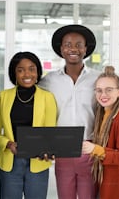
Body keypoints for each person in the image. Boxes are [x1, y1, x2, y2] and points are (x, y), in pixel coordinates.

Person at [39, 24, 99, 199]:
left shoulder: (98, 78)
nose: (73, 49)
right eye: (68, 44)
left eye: (79, 44)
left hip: (90, 148)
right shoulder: (48, 81)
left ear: (86, 49)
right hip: (62, 150)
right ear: (61, 49)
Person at [0, 51, 57, 199]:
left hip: (37, 162)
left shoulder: (47, 98)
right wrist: (7, 143)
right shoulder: (3, 97)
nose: (27, 74)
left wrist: (48, 149)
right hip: (10, 162)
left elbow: (50, 132)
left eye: (31, 69)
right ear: (14, 73)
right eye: (20, 70)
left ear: (38, 72)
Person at [82, 66, 119, 199]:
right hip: (107, 181)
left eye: (109, 90)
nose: (103, 95)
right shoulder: (102, 114)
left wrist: (95, 149)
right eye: (99, 90)